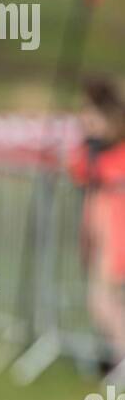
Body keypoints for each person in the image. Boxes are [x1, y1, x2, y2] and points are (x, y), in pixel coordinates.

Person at [66, 76, 125, 383]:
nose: (85, 118)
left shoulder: (116, 156)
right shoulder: (89, 153)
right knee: (104, 301)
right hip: (100, 239)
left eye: (92, 111)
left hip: (116, 240)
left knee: (102, 301)